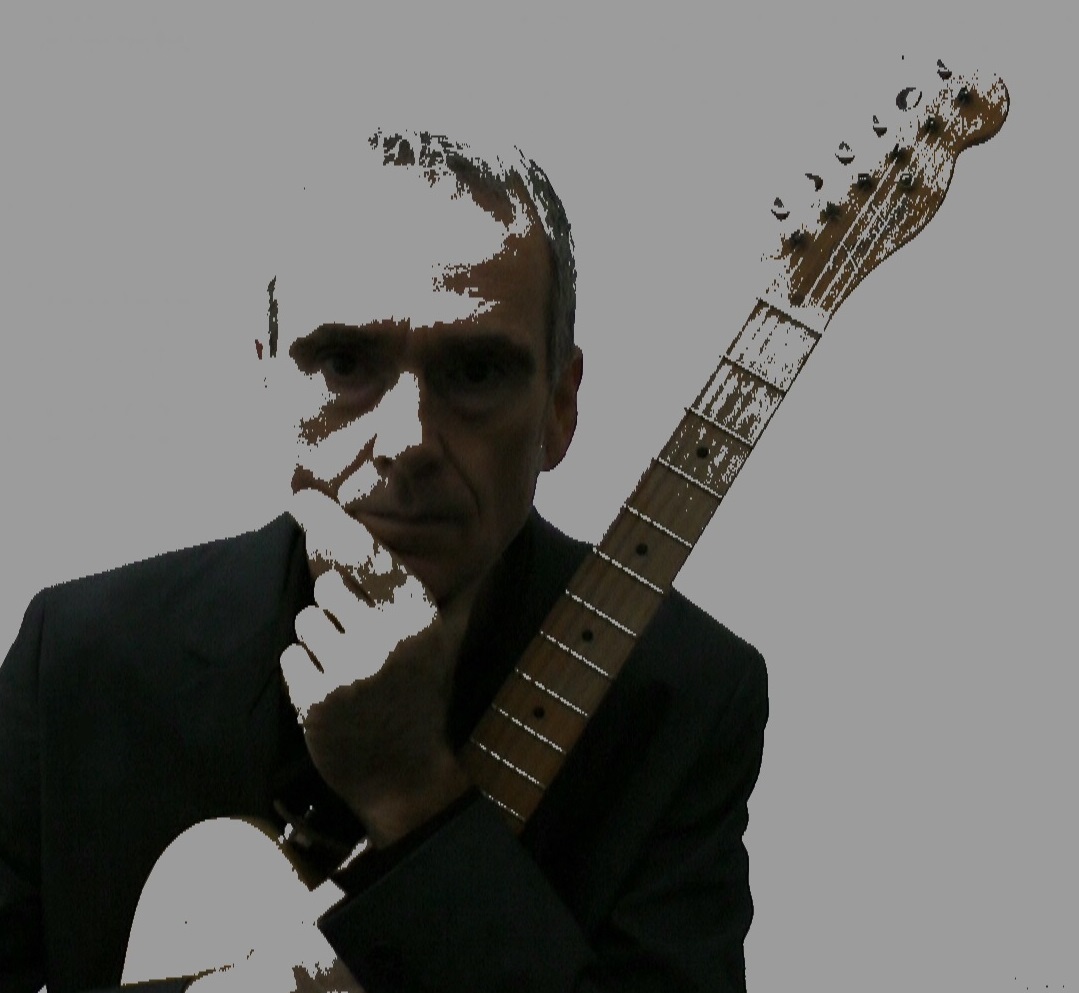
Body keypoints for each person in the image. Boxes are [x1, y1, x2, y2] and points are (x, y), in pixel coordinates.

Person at [0, 130, 768, 993]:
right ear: (269, 384)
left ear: (559, 408)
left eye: (475, 370)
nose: (407, 441)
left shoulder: (684, 696)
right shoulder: (80, 661)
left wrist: (415, 794)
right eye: (344, 362)